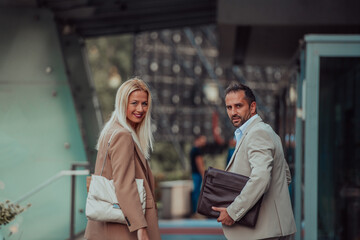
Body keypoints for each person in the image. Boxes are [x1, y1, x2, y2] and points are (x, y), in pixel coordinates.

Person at [212, 83, 296, 240]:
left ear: (252, 107)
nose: (233, 112)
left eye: (238, 106)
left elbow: (261, 178)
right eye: (229, 107)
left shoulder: (257, 133)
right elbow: (285, 176)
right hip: (272, 230)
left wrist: (232, 212)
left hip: (264, 233)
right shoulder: (266, 131)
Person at [85, 78, 161, 240]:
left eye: (144, 104)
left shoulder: (110, 131)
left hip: (110, 223)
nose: (140, 109)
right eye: (134, 103)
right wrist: (141, 228)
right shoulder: (122, 135)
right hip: (125, 227)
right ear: (122, 103)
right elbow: (125, 184)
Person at [190, 134, 207, 214]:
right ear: (198, 140)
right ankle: (196, 211)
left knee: (196, 192)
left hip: (194, 174)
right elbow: (199, 164)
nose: (204, 142)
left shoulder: (193, 150)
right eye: (202, 140)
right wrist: (203, 175)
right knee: (197, 193)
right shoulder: (197, 151)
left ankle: (195, 211)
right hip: (197, 175)